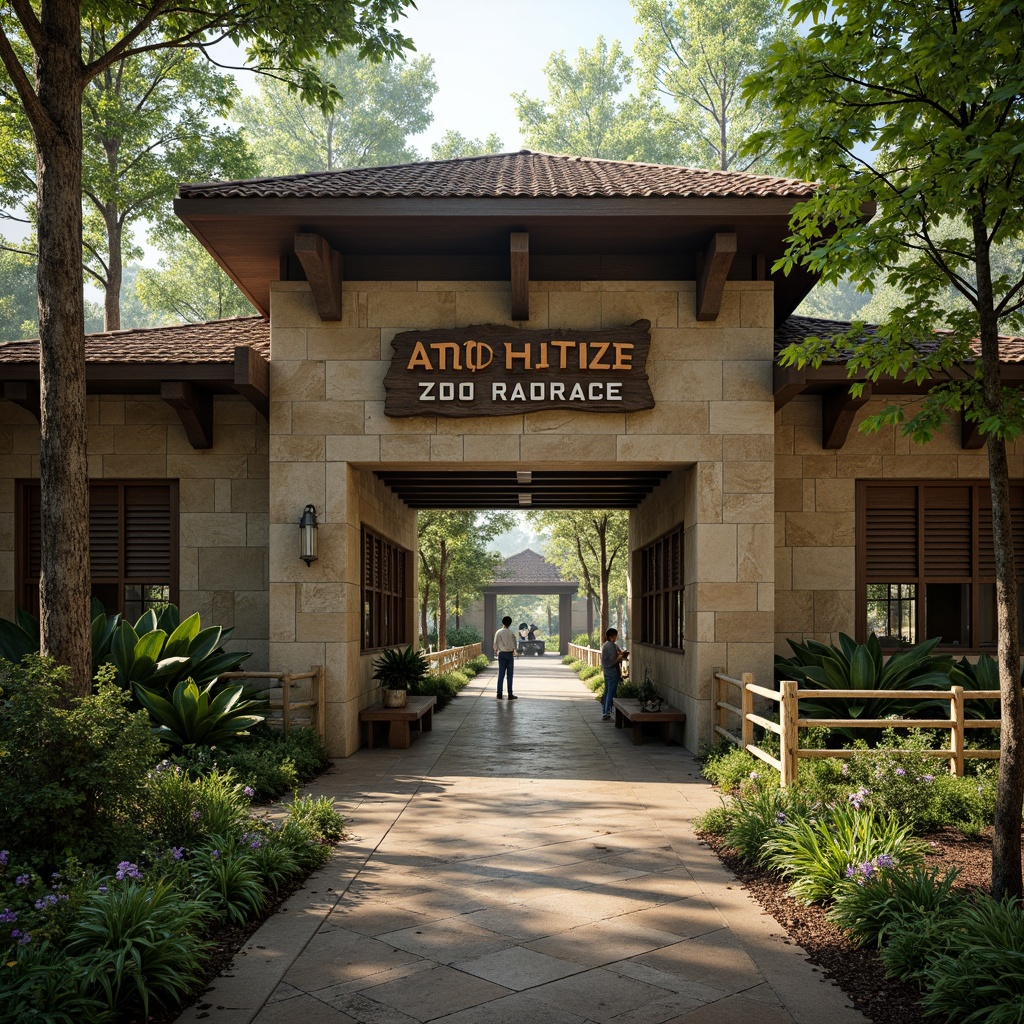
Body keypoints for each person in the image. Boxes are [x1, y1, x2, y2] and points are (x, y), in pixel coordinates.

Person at [600, 628, 628, 720]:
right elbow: (613, 661)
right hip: (613, 673)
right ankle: (606, 712)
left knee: (607, 691)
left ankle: (605, 711)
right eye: (616, 635)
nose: (617, 637)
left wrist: (621, 654)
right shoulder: (611, 646)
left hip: (607, 672)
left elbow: (618, 653)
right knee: (610, 693)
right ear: (612, 636)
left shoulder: (605, 645)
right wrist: (620, 657)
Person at [493, 615, 519, 699]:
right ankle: (510, 694)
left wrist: (496, 651)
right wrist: (515, 652)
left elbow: (495, 644)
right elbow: (514, 644)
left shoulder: (498, 632)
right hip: (509, 654)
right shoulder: (511, 633)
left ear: (502, 622)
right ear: (510, 623)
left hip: (502, 654)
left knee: (501, 674)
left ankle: (499, 693)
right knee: (510, 675)